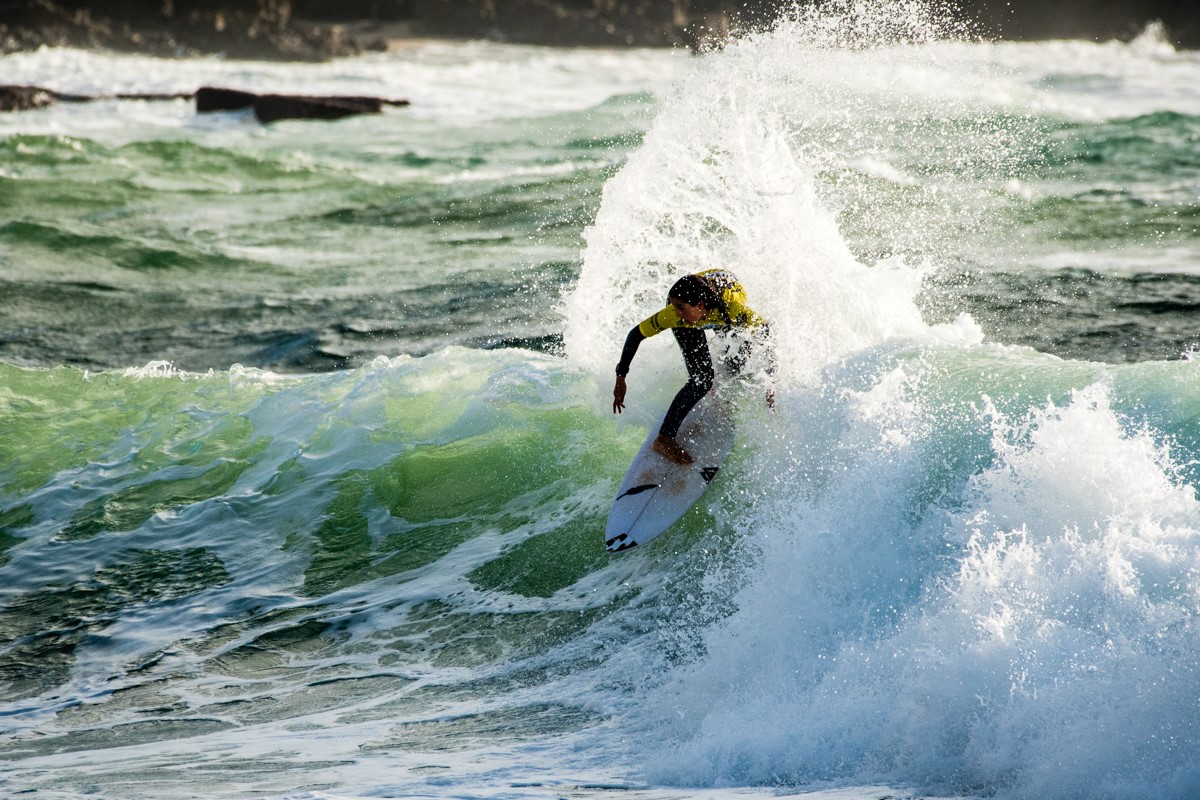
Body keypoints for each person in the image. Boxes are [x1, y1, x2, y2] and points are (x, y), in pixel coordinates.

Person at [612, 269, 773, 465]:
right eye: (674, 307)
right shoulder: (675, 313)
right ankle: (664, 440)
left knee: (737, 363)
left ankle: (718, 391)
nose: (676, 314)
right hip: (697, 298)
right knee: (702, 379)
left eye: (681, 308)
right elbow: (636, 334)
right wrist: (621, 376)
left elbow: (766, 333)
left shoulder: (734, 311)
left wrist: (771, 382)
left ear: (701, 305)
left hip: (721, 308)